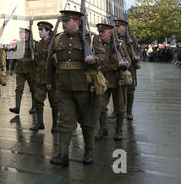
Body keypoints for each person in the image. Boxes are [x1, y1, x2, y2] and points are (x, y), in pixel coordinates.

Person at [46, 10, 105, 166]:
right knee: (65, 121)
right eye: (63, 21)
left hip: (86, 87)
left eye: (67, 21)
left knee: (88, 121)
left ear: (78, 22)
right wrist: (49, 82)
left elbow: (104, 59)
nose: (64, 24)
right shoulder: (58, 39)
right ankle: (63, 154)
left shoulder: (91, 39)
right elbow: (50, 63)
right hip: (64, 88)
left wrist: (94, 60)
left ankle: (89, 150)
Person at [93, 23, 131, 141]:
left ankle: (119, 130)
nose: (100, 34)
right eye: (99, 32)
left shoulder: (119, 45)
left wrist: (124, 64)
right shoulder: (97, 45)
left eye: (102, 32)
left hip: (118, 78)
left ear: (109, 32)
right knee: (101, 106)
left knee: (119, 107)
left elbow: (128, 60)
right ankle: (102, 129)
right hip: (104, 79)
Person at [31, 21, 59, 133]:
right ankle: (40, 123)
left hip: (51, 76)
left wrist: (52, 79)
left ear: (48, 31)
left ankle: (55, 124)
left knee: (54, 101)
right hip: (39, 76)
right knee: (38, 99)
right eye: (39, 30)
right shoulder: (38, 44)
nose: (39, 32)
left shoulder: (54, 43)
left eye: (41, 30)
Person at [114, 19, 141, 120]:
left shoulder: (131, 38)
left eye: (118, 27)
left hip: (131, 68)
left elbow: (138, 50)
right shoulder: (114, 38)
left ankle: (129, 111)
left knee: (130, 90)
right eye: (115, 26)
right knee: (119, 90)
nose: (116, 28)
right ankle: (117, 110)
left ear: (124, 27)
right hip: (119, 67)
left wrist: (137, 56)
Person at [9, 27, 37, 114]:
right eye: (20, 33)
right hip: (20, 70)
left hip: (30, 70)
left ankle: (34, 107)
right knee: (18, 89)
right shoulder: (18, 44)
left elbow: (37, 55)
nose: (20, 35)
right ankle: (17, 108)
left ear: (27, 34)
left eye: (22, 33)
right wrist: (11, 68)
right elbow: (15, 57)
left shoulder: (33, 43)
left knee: (33, 88)